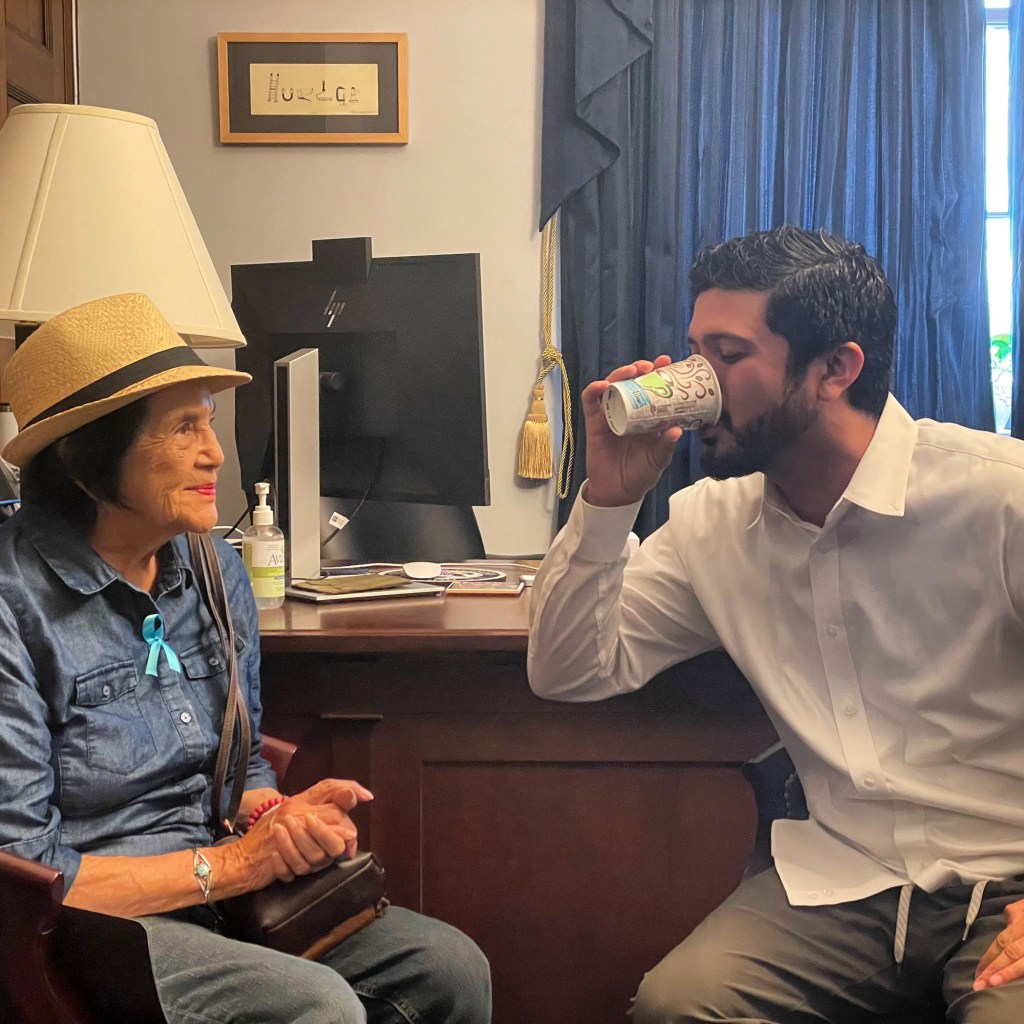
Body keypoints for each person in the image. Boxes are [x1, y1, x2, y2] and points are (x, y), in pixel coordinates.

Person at [528, 225, 1024, 1023]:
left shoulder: (1001, 498)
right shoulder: (709, 526)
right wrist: (608, 502)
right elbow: (567, 671)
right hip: (846, 881)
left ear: (836, 369)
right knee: (677, 1007)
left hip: (1011, 888)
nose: (696, 381)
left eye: (728, 354)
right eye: (693, 351)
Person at [0, 292, 491, 1024]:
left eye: (211, 422)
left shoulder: (214, 570)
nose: (215, 453)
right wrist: (237, 865)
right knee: (317, 1008)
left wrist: (277, 816)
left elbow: (240, 766)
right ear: (88, 457)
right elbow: (26, 873)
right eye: (183, 428)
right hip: (88, 925)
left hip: (219, 890)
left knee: (450, 970)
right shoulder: (15, 603)